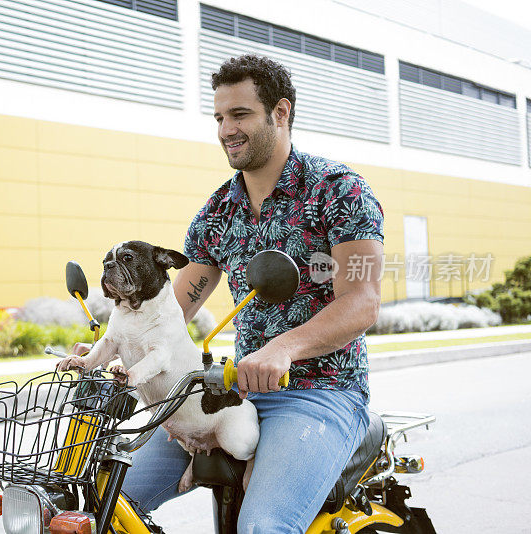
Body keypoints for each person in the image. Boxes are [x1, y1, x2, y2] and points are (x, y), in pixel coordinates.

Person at [116, 54, 386, 533]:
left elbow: (361, 300)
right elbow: (172, 307)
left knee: (263, 526)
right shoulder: (218, 209)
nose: (225, 130)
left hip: (318, 393)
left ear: (279, 113)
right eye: (219, 117)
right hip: (228, 392)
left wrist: (283, 348)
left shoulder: (340, 191)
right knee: (104, 500)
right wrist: (116, 342)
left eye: (239, 115)